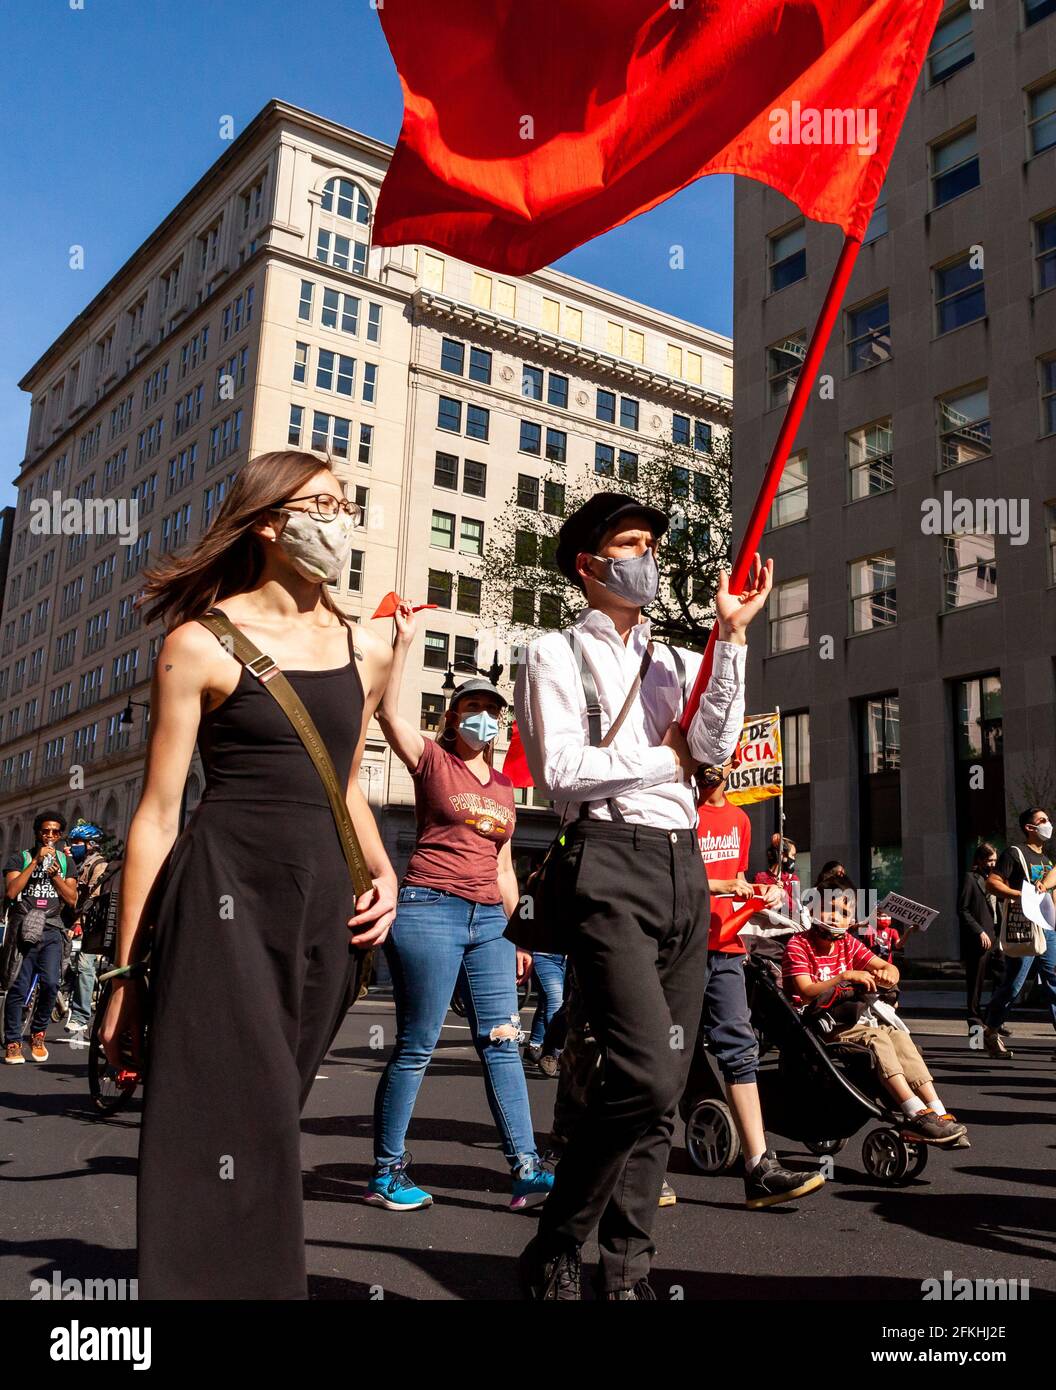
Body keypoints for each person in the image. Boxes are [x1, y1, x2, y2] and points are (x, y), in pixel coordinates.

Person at [100, 450, 397, 1300]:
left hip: (327, 909)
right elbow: (157, 816)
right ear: (271, 522)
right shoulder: (198, 643)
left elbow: (344, 785)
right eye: (323, 505)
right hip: (226, 894)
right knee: (233, 1111)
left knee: (269, 1112)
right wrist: (126, 974)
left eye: (346, 505)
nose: (340, 520)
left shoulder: (368, 648)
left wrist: (385, 873)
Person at [515, 491, 771, 1300]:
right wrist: (668, 763)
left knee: (664, 1080)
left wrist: (730, 639)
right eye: (630, 544)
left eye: (653, 545)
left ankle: (627, 1272)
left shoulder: (674, 660)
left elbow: (715, 745)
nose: (648, 558)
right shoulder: (553, 653)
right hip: (606, 859)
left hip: (681, 864)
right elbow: (562, 772)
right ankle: (558, 1238)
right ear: (589, 566)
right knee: (644, 1073)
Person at [368, 601, 553, 1212]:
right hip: (428, 908)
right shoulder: (432, 760)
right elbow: (389, 713)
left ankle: (525, 1170)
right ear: (453, 718)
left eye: (492, 712)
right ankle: (388, 1171)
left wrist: (522, 933)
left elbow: (503, 867)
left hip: (489, 923)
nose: (485, 719)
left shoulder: (504, 788)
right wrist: (405, 644)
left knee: (502, 1040)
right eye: (474, 709)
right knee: (418, 1042)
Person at [695, 756, 826, 1208]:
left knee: (738, 1043)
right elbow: (669, 878)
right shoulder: (677, 810)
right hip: (679, 947)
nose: (712, 769)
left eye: (720, 759)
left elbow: (739, 880)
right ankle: (639, 1166)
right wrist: (719, 886)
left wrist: (760, 889)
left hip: (728, 948)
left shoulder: (739, 819)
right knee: (664, 1050)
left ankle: (758, 1167)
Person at [783, 873, 968, 1146]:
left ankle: (936, 1110)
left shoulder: (848, 943)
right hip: (819, 1024)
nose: (836, 916)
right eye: (830, 908)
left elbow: (884, 965)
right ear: (811, 908)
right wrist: (846, 976)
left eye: (844, 912)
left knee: (899, 1037)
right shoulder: (799, 944)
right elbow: (804, 989)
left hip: (852, 1019)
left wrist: (889, 973)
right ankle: (913, 1112)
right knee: (878, 1040)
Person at [3, 812, 80, 1063]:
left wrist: (55, 874)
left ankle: (38, 1033)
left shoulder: (66, 863)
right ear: (37, 832)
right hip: (24, 926)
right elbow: (12, 891)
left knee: (51, 984)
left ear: (60, 835)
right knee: (18, 985)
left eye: (55, 832)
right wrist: (35, 862)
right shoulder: (20, 858)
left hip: (52, 929)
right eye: (45, 831)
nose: (49, 836)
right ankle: (13, 1041)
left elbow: (71, 899)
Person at [983, 808, 1056, 1060]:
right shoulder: (1015, 854)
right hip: (1024, 929)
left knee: (1054, 982)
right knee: (1013, 985)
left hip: (1048, 929)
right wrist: (1020, 896)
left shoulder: (1046, 861)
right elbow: (992, 883)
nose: (1048, 824)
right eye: (1042, 821)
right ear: (1029, 827)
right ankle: (991, 1030)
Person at [62, 821, 110, 1047]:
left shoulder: (98, 865)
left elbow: (94, 897)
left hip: (89, 924)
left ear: (91, 845)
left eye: (77, 842)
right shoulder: (74, 863)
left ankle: (80, 1017)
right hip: (67, 920)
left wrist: (80, 921)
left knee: (84, 966)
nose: (73, 846)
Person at [958, 842, 998, 1033]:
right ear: (980, 860)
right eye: (989, 860)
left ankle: (994, 1018)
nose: (992, 864)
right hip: (979, 939)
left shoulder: (997, 879)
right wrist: (979, 931)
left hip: (998, 938)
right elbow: (963, 910)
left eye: (995, 860)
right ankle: (975, 1023)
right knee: (976, 983)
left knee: (1004, 976)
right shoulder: (970, 878)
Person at [526, 952, 566, 1066]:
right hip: (544, 955)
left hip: (568, 959)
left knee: (546, 1003)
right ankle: (555, 1052)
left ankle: (534, 1046)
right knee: (555, 1003)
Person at [754, 834, 801, 914]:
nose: (794, 859)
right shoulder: (760, 877)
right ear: (781, 855)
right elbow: (757, 903)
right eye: (792, 855)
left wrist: (783, 894)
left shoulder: (793, 879)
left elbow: (797, 908)